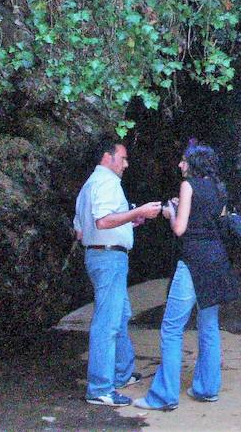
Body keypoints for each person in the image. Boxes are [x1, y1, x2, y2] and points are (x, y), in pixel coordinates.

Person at [134, 140, 239, 411]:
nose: (180, 164)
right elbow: (213, 221)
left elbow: (180, 229)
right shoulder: (219, 187)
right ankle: (207, 388)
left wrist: (171, 212)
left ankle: (165, 396)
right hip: (216, 260)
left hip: (193, 262)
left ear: (193, 163)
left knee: (171, 328)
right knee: (209, 325)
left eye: (183, 160)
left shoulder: (188, 185)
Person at [73, 138, 163, 407]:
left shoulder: (89, 185)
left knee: (120, 315)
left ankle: (122, 374)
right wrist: (139, 211)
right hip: (108, 257)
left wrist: (128, 222)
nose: (126, 164)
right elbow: (102, 220)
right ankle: (100, 387)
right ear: (107, 157)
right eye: (122, 158)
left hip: (100, 254)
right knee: (108, 323)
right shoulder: (107, 182)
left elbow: (82, 229)